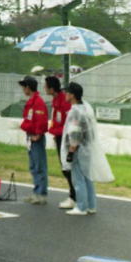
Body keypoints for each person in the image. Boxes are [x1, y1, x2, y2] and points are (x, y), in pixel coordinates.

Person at [61, 82, 114, 216]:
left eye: (67, 92)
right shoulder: (85, 109)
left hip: (78, 149)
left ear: (72, 95)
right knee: (87, 177)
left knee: (78, 178)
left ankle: (81, 207)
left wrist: (71, 149)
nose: (65, 94)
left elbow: (75, 132)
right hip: (87, 148)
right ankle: (91, 205)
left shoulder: (75, 112)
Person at [45, 76, 76, 210]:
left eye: (46, 86)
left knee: (68, 169)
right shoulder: (56, 99)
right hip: (59, 136)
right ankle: (73, 196)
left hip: (66, 138)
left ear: (52, 88)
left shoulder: (65, 101)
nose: (44, 89)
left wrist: (61, 134)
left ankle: (74, 197)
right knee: (65, 168)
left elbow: (69, 122)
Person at [18, 75, 49, 205]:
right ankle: (36, 192)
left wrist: (39, 133)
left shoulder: (38, 102)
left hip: (36, 137)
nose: (22, 89)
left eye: (23, 86)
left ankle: (41, 194)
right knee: (33, 166)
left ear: (28, 87)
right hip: (31, 136)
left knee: (39, 166)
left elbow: (42, 119)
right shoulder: (32, 101)